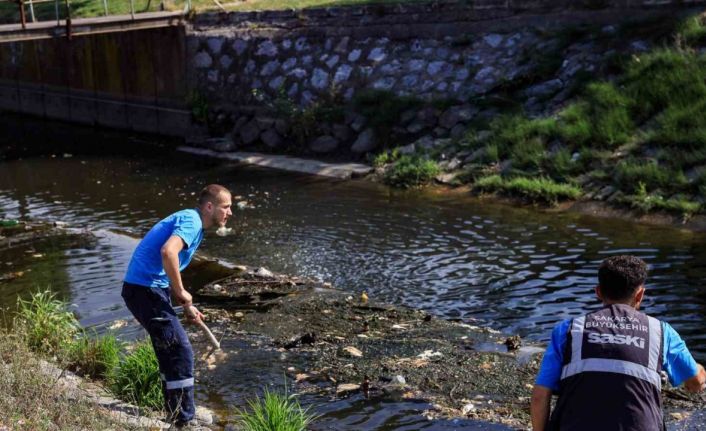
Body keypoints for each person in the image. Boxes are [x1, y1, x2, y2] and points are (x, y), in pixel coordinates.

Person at [531, 255, 706, 431]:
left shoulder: (568, 330)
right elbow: (696, 381)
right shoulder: (661, 332)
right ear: (640, 295)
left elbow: (540, 395)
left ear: (598, 292)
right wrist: (697, 370)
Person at [121, 184, 232, 427]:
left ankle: (175, 415)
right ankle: (185, 421)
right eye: (226, 206)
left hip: (147, 289)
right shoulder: (192, 221)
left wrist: (185, 305)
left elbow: (165, 269)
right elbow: (168, 252)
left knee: (169, 350)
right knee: (180, 351)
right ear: (210, 206)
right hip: (143, 289)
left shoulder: (194, 223)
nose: (230, 212)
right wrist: (182, 290)